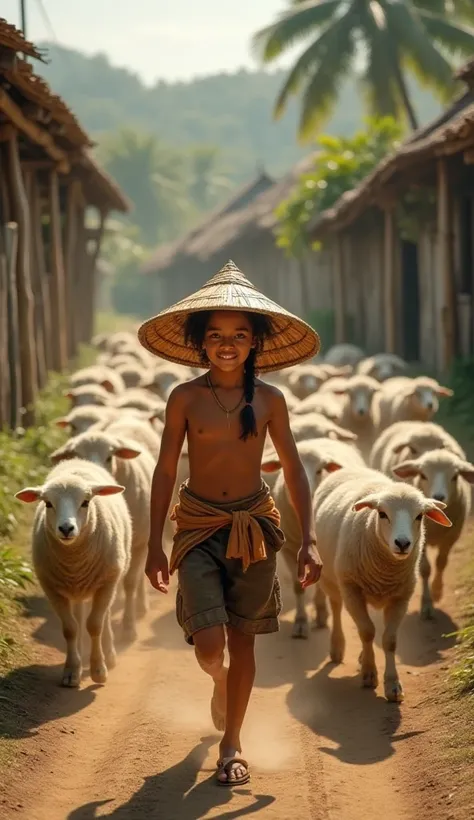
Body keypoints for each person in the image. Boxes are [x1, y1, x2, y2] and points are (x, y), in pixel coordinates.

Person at [138, 260, 322, 787]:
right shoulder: (185, 398)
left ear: (253, 343)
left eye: (239, 336)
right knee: (210, 645)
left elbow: (292, 467)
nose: (227, 345)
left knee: (244, 638)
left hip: (254, 530)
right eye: (216, 335)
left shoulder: (269, 400)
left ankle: (232, 742)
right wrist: (156, 545)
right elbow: (166, 468)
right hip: (197, 527)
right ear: (200, 342)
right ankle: (219, 682)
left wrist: (307, 540)